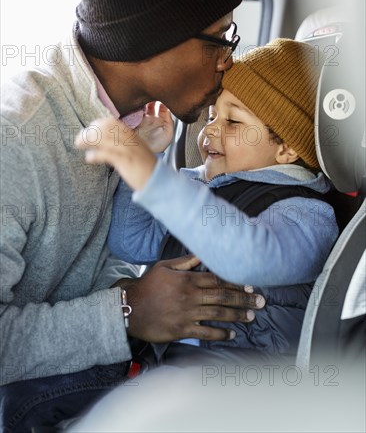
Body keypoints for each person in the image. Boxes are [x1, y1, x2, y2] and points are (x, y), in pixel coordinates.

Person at [0, 0, 264, 433]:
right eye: (219, 37)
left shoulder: (147, 121)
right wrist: (129, 311)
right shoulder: (16, 140)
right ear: (151, 41)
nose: (228, 59)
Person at [76, 38, 339, 364]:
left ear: (286, 148)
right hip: (173, 365)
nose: (210, 130)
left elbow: (252, 256)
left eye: (233, 121)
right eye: (212, 116)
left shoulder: (306, 212)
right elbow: (131, 241)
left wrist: (153, 179)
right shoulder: (198, 186)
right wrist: (150, 157)